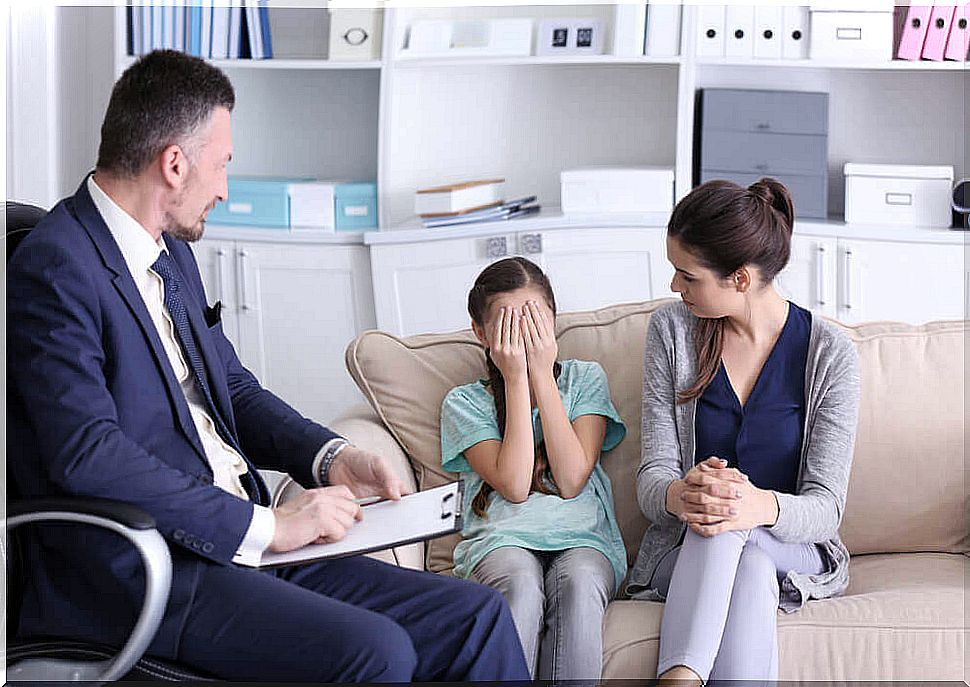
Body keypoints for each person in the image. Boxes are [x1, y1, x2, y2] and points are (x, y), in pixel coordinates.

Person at [6, 49, 529, 683]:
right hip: (150, 568)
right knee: (375, 651)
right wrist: (269, 525)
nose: (225, 187)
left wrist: (328, 455)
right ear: (174, 164)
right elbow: (86, 453)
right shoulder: (54, 266)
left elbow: (229, 385)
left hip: (235, 540)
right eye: (221, 164)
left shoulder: (168, 251)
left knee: (474, 616)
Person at [626, 179, 861, 683]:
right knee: (744, 555)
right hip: (687, 550)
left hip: (792, 548)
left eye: (686, 276)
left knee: (736, 523)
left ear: (738, 279)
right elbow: (651, 483)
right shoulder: (672, 333)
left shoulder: (829, 355)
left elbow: (826, 509)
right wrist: (681, 493)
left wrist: (757, 506)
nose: (673, 287)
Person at [439, 257, 628, 681]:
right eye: (508, 324)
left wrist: (542, 373)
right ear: (481, 333)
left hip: (583, 538)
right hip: (501, 540)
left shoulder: (584, 380)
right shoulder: (464, 403)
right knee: (521, 587)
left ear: (553, 323)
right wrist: (515, 378)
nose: (522, 335)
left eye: (534, 322)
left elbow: (571, 477)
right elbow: (515, 484)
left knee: (579, 585)